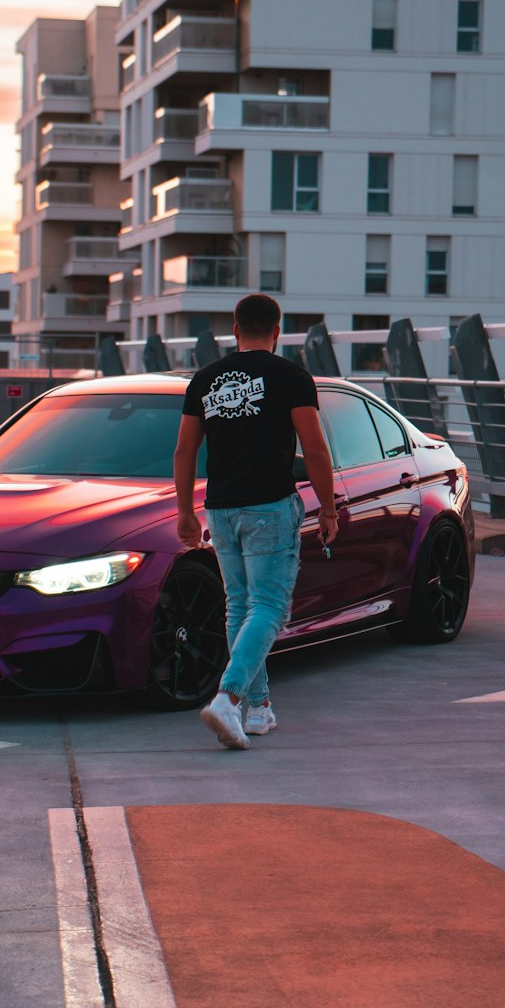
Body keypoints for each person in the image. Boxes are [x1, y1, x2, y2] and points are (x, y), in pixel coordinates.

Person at [173, 293, 339, 750]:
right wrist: (327, 509)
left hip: (221, 508)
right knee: (269, 607)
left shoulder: (204, 380)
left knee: (240, 608)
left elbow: (185, 450)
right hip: (269, 506)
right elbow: (317, 448)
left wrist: (186, 512)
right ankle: (227, 698)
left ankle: (258, 709)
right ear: (278, 330)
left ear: (235, 329)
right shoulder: (291, 377)